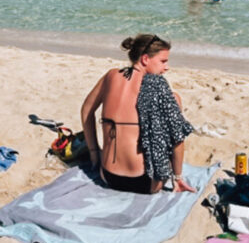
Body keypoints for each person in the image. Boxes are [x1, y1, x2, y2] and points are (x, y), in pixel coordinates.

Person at [80, 33, 195, 194]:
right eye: (163, 61)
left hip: (108, 176)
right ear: (145, 59)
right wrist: (177, 178)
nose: (166, 67)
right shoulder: (157, 85)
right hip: (145, 182)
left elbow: (86, 110)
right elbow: (177, 138)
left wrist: (94, 152)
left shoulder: (111, 76)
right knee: (175, 98)